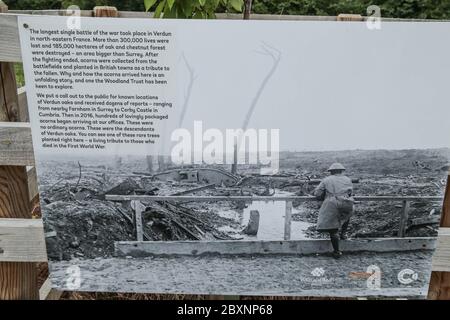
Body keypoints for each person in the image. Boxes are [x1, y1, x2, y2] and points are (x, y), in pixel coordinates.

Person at [313, 163, 354, 259]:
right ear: (341, 171)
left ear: (331, 171)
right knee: (345, 216)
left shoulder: (327, 180)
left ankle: (337, 251)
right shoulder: (348, 179)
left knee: (333, 229)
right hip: (347, 201)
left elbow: (318, 193)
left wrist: (324, 195)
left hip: (333, 203)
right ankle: (343, 234)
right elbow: (350, 193)